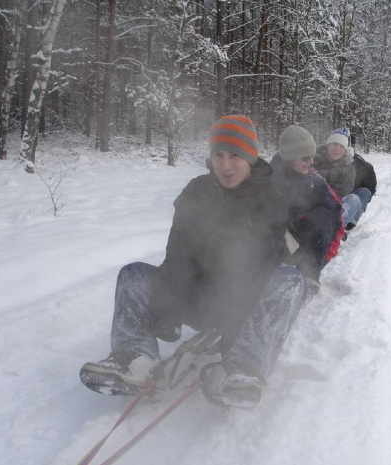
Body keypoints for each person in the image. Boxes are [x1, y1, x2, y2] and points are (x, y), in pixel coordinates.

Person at [80, 115, 306, 409]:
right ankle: (135, 360)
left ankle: (242, 369)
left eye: (235, 155)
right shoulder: (196, 191)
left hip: (245, 306)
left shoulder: (269, 198)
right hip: (197, 298)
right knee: (133, 274)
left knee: (292, 281)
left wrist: (233, 331)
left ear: (250, 156)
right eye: (218, 155)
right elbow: (177, 255)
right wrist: (167, 308)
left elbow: (260, 267)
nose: (225, 165)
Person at [270, 125, 344, 297]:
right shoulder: (267, 178)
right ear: (290, 158)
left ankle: (308, 277)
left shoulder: (315, 182)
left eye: (311, 157)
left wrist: (323, 257)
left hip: (305, 243)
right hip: (275, 242)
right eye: (305, 158)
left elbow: (336, 218)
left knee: (324, 214)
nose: (311, 162)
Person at [313, 127, 366, 230]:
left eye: (341, 146)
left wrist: (325, 199)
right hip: (312, 202)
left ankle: (337, 229)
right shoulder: (314, 160)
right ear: (328, 145)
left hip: (334, 203)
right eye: (335, 144)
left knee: (354, 200)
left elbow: (344, 191)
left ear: (345, 150)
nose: (337, 148)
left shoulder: (349, 168)